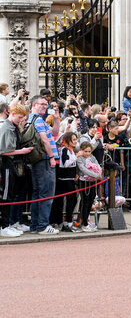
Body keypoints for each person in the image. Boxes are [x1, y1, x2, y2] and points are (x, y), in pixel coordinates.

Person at [28, 95, 60, 235]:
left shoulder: (36, 120)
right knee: (46, 194)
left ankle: (36, 225)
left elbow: (55, 132)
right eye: (42, 104)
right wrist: (52, 157)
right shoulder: (38, 120)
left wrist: (57, 117)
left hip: (39, 160)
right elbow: (46, 140)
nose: (44, 106)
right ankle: (42, 225)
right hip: (45, 159)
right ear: (34, 105)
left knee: (38, 193)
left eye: (46, 104)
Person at [0, 103, 33, 237]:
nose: (21, 120)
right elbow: (3, 151)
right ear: (12, 114)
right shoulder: (7, 128)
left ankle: (8, 224)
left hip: (10, 164)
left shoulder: (12, 127)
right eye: (19, 117)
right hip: (6, 164)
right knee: (6, 195)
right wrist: (23, 151)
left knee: (10, 194)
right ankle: (4, 226)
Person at [49, 132, 80, 232]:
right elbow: (65, 163)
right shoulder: (64, 150)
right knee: (64, 201)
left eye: (76, 139)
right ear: (67, 141)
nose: (75, 141)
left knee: (72, 200)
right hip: (64, 180)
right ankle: (63, 222)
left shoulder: (72, 151)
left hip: (70, 179)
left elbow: (72, 164)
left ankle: (68, 221)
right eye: (73, 139)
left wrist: (75, 173)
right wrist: (77, 156)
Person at [76, 141, 102, 232]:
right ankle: (84, 223)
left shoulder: (92, 157)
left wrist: (99, 172)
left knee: (91, 201)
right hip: (84, 181)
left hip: (92, 182)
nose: (87, 153)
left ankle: (86, 221)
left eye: (89, 151)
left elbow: (98, 165)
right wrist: (96, 175)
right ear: (81, 150)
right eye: (85, 151)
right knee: (85, 202)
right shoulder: (79, 159)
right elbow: (83, 169)